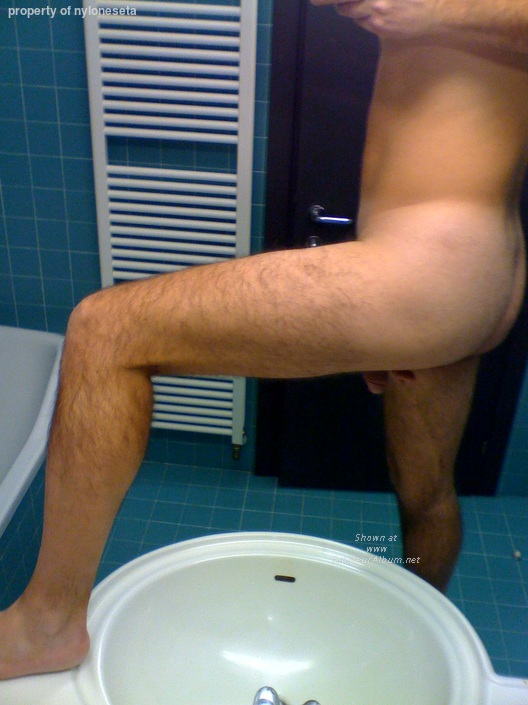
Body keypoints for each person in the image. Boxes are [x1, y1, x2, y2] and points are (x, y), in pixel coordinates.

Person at [1, 0, 528, 680]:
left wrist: (431, 12)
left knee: (104, 330)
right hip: (462, 270)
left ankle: (45, 624)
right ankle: (421, 647)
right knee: (425, 493)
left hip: (435, 266)